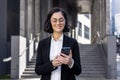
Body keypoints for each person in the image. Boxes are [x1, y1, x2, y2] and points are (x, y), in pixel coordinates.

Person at [35, 7, 81, 80]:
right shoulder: (42, 43)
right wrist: (52, 64)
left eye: (61, 20)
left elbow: (78, 71)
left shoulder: (73, 43)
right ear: (50, 22)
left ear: (65, 21)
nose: (58, 23)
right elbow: (38, 70)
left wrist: (70, 62)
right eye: (54, 20)